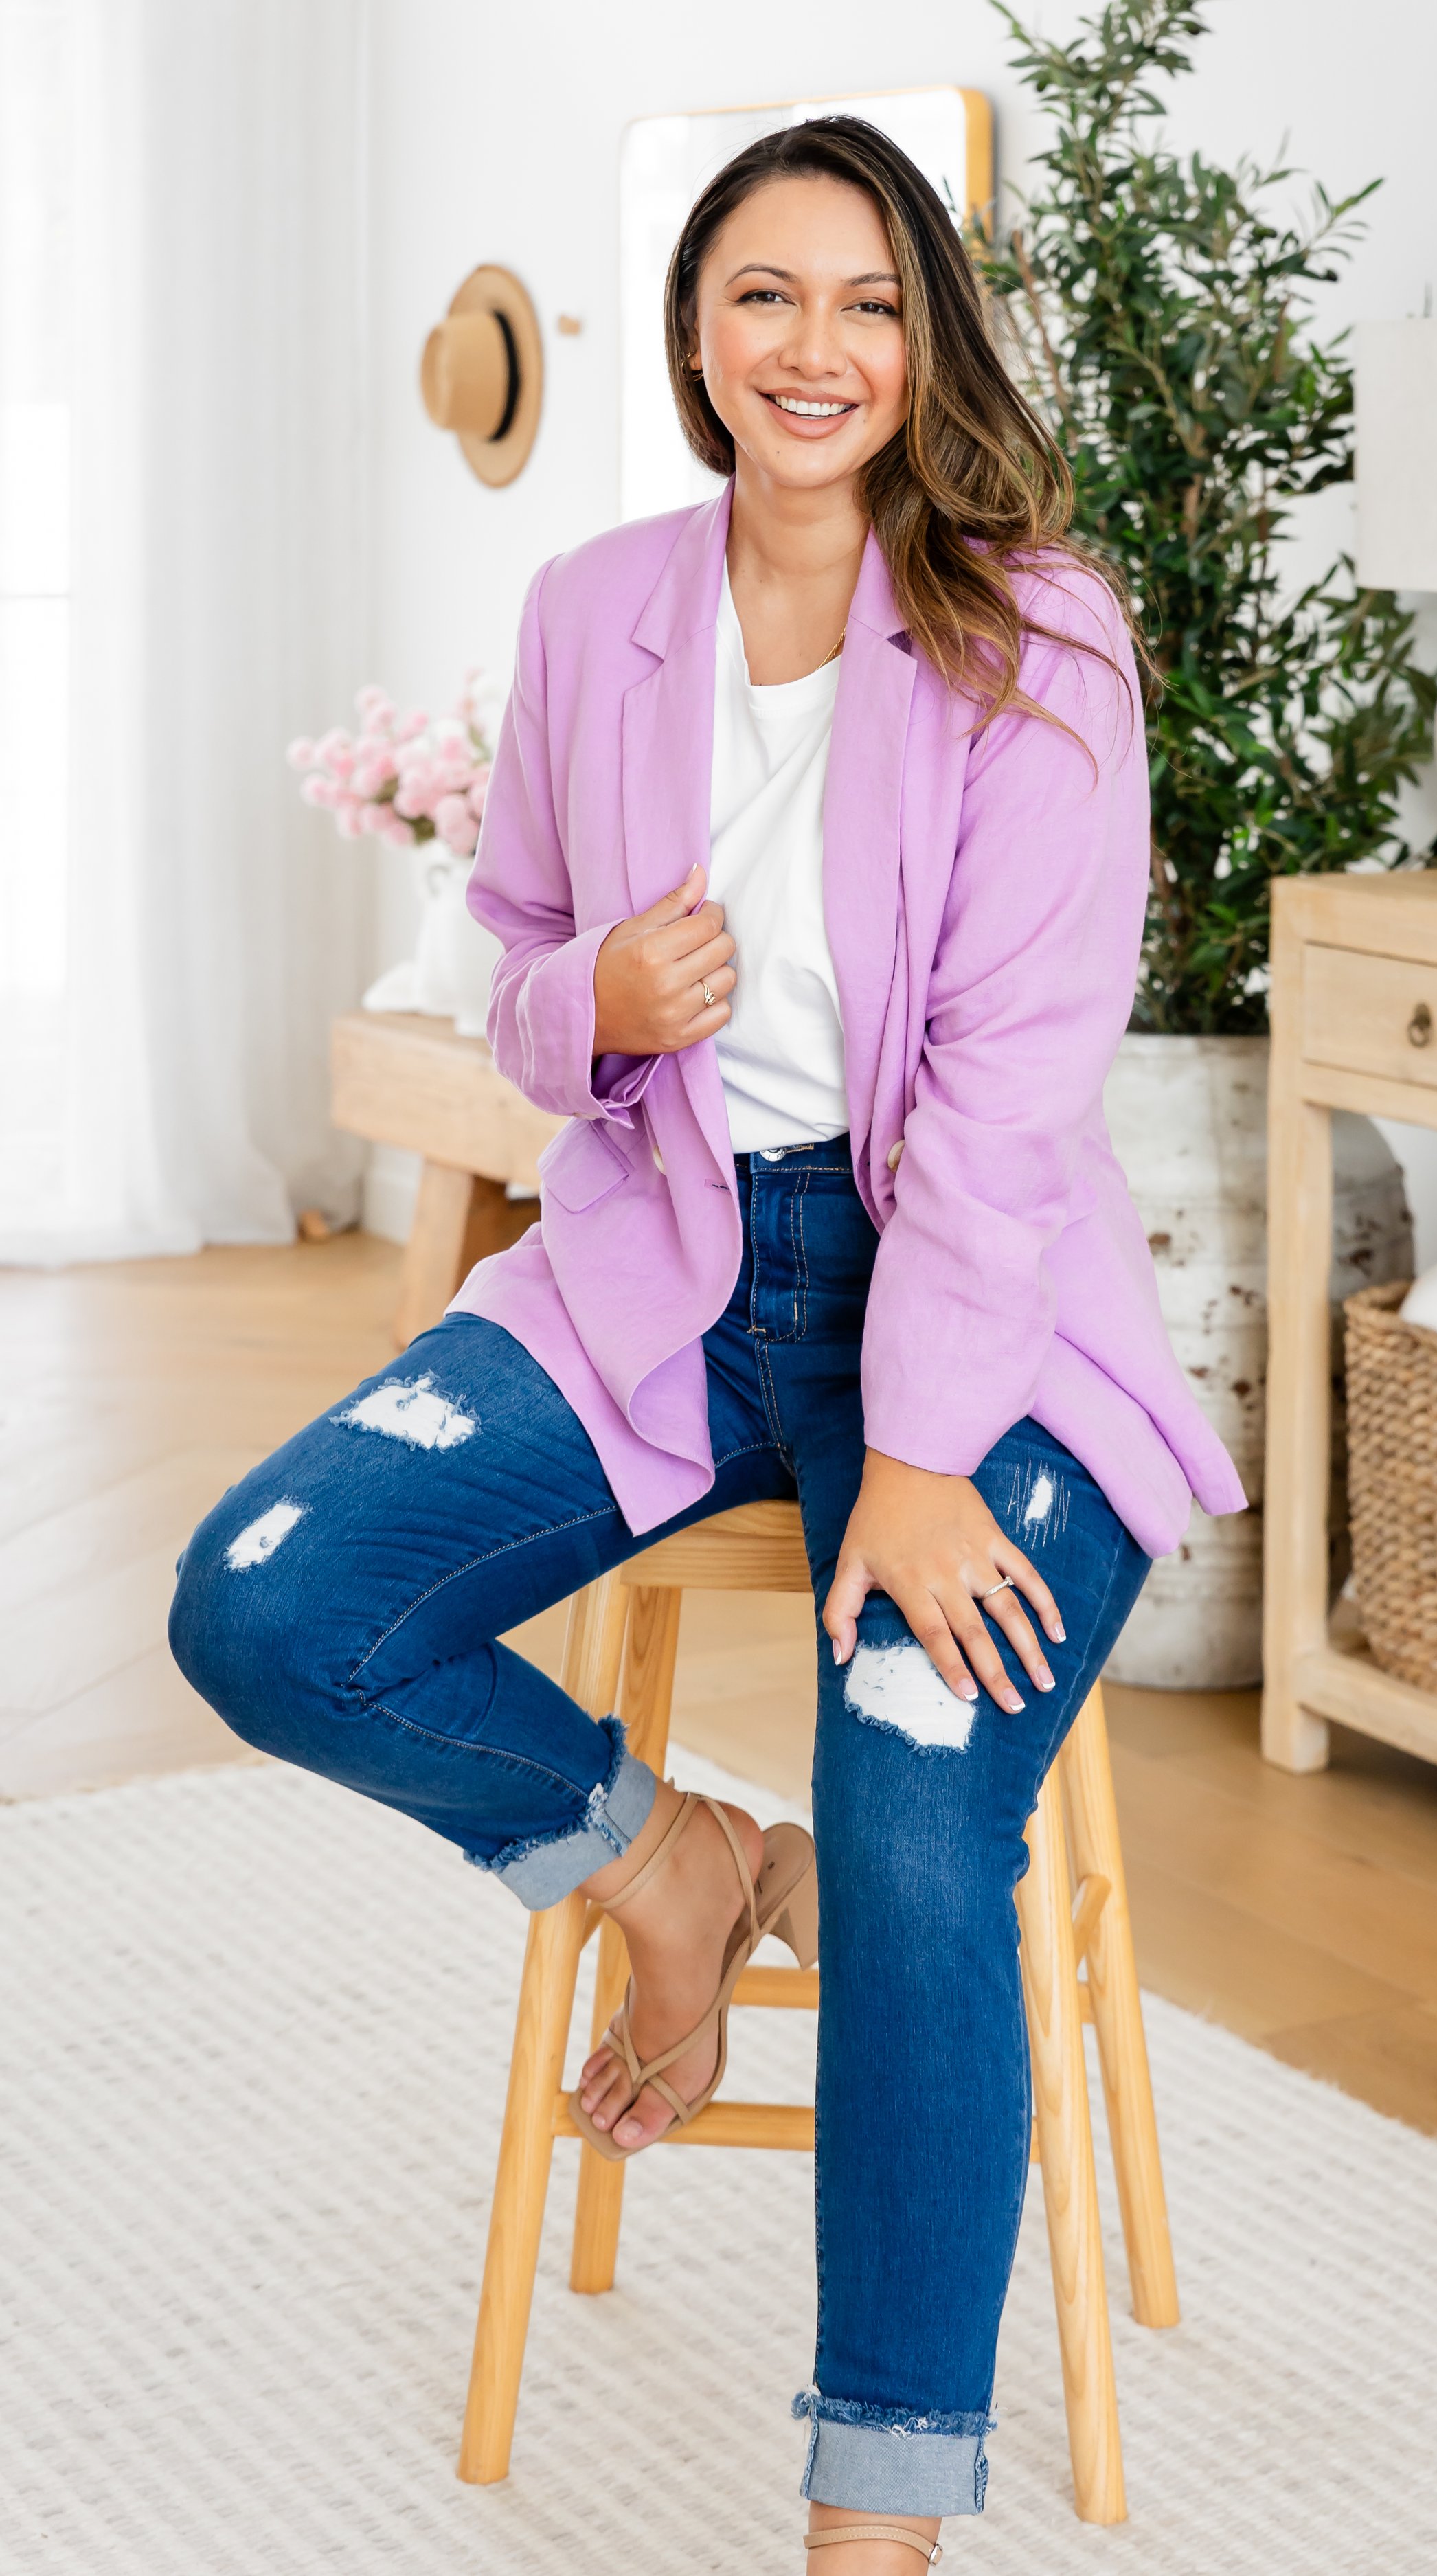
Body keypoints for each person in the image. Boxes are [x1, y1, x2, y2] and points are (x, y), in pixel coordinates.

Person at [170, 115, 1244, 2572]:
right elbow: (516, 985)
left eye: (868, 303)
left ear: (925, 342)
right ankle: (660, 1861)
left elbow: (1009, 1094)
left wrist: (930, 1451)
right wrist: (592, 996)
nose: (817, 351)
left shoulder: (1035, 639)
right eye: (765, 297)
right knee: (264, 1589)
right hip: (660, 1270)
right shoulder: (593, 611)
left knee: (901, 1815)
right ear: (691, 335)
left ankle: (870, 2524)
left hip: (975, 1326)